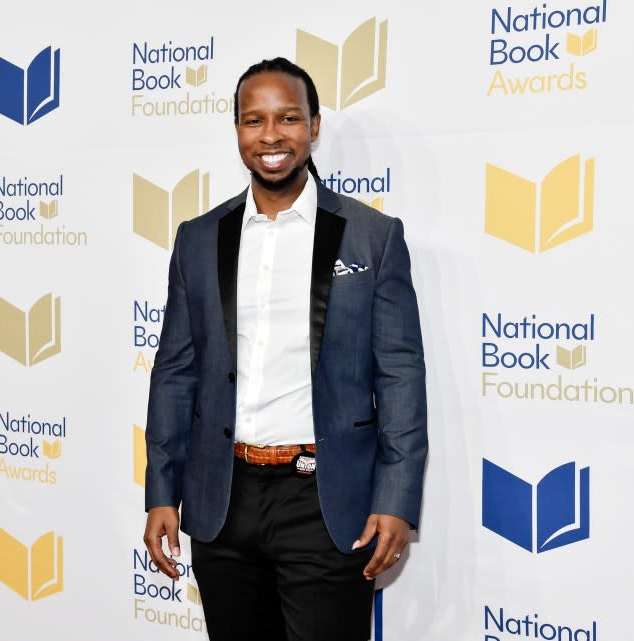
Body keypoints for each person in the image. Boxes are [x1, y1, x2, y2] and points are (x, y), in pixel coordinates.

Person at [143, 57, 427, 641]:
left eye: (288, 118)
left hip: (325, 503)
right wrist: (161, 491)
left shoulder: (373, 237)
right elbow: (175, 371)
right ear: (238, 131)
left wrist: (396, 498)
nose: (271, 136)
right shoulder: (198, 239)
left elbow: (400, 375)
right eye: (254, 121)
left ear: (314, 127)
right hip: (222, 502)